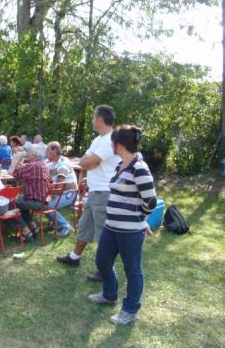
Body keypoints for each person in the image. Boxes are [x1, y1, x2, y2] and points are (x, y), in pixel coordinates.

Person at [87, 125, 157, 326]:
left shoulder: (139, 168)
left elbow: (150, 201)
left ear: (119, 144)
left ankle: (130, 311)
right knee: (102, 261)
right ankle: (109, 294)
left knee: (133, 270)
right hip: (111, 227)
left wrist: (139, 219)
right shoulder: (120, 166)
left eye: (113, 141)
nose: (111, 145)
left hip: (130, 231)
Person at [56, 105, 120, 282]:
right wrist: (89, 166)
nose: (92, 121)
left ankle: (106, 270)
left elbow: (88, 161)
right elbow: (87, 161)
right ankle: (74, 258)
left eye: (93, 118)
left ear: (100, 120)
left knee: (103, 233)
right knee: (84, 225)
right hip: (95, 191)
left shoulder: (110, 140)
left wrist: (89, 163)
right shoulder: (99, 139)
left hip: (105, 192)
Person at [9, 144, 50, 242]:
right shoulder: (43, 164)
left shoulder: (32, 166)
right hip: (42, 200)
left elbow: (11, 173)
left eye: (28, 152)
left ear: (33, 154)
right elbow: (23, 170)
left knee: (10, 203)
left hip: (35, 202)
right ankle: (34, 228)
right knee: (21, 202)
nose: (26, 154)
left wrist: (15, 159)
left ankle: (26, 232)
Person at [44, 141, 78, 237]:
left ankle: (66, 227)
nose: (45, 152)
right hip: (60, 193)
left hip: (69, 194)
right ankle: (55, 224)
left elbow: (59, 186)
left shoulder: (63, 162)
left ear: (54, 150)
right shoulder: (51, 162)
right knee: (42, 203)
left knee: (47, 206)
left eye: (47, 149)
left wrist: (47, 194)